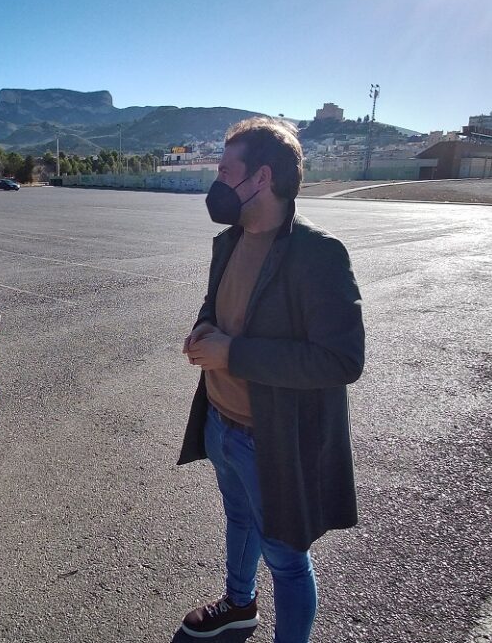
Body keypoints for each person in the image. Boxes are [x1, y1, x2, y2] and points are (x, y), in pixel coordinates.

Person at [179, 118, 365, 642]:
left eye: (225, 171)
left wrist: (233, 353)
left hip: (273, 438)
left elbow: (341, 360)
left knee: (286, 559)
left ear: (261, 178)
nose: (216, 182)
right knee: (238, 520)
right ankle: (239, 605)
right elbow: (215, 303)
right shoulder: (229, 241)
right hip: (221, 423)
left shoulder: (319, 254)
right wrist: (204, 329)